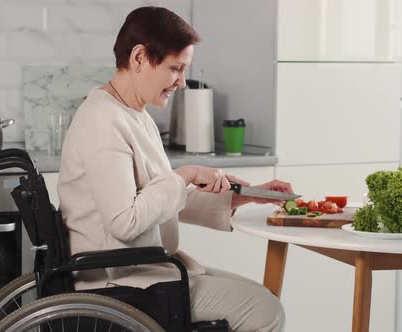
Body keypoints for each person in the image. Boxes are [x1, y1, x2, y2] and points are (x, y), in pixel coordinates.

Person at [57, 6, 292, 332]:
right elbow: (126, 220)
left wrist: (238, 198)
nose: (182, 82)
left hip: (148, 270)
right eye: (175, 68)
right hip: (117, 282)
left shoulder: (134, 114)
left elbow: (157, 198)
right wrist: (186, 175)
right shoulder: (103, 120)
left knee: (262, 299)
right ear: (139, 58)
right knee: (264, 310)